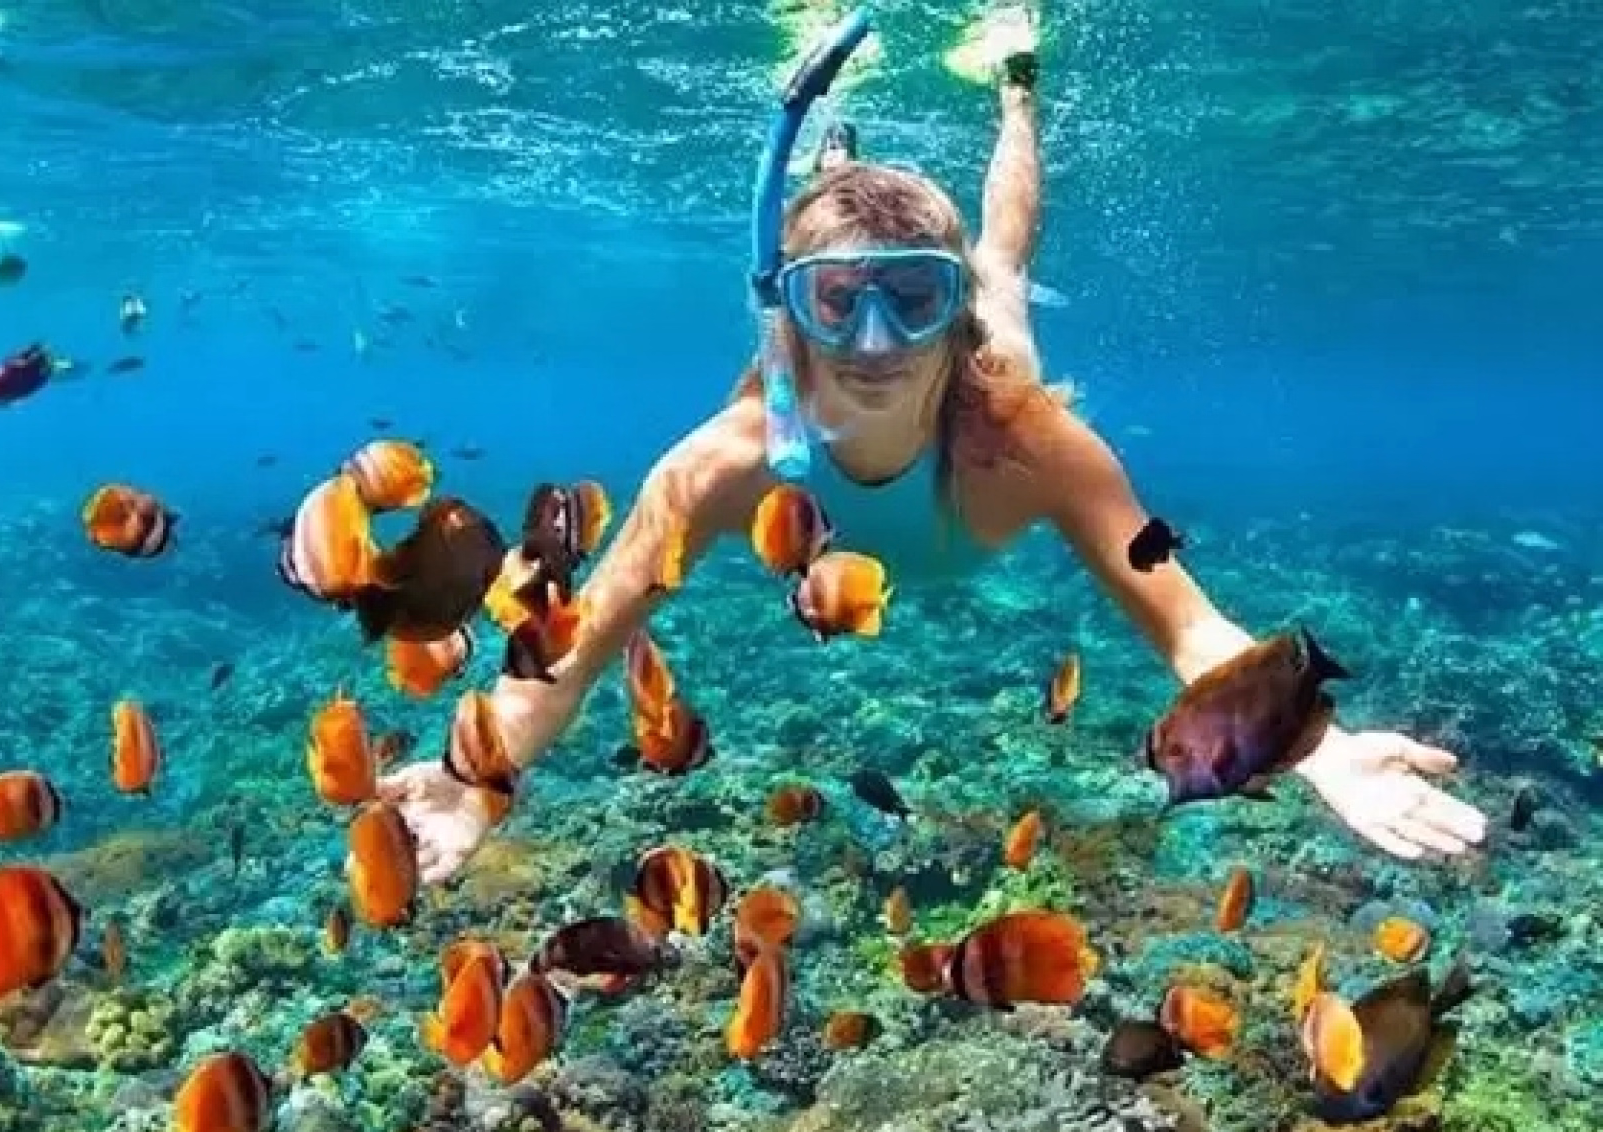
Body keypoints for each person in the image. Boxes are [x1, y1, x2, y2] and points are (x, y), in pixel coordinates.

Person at [379, 6, 1488, 879]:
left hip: (994, 356)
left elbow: (1188, 623)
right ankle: (839, 152)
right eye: (836, 300)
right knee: (890, 233)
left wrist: (1315, 743)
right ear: (788, 314)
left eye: (911, 299)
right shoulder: (722, 465)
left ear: (947, 321)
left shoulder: (1040, 445)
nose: (872, 339)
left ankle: (1015, 89)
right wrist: (486, 774)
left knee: (1005, 258)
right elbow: (566, 652)